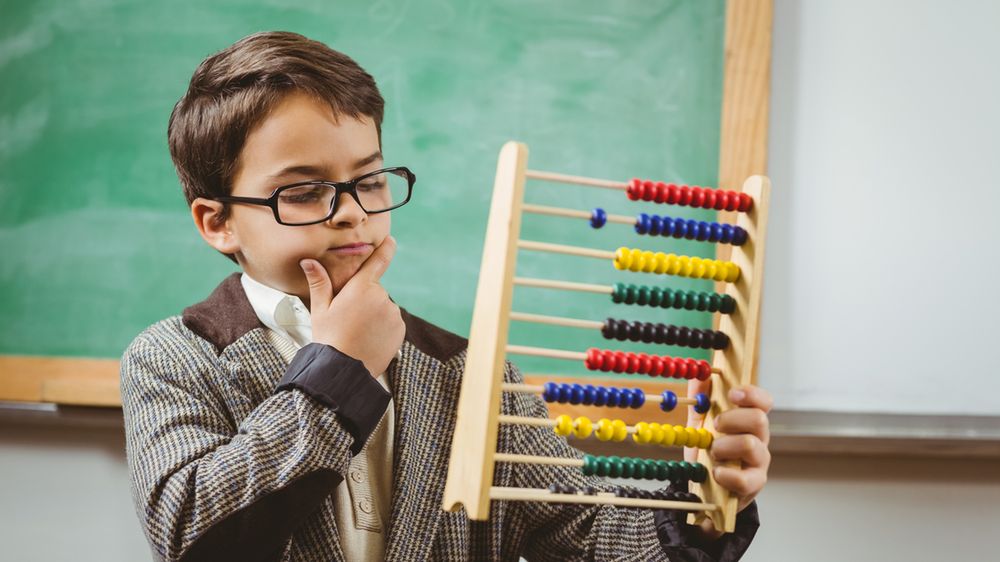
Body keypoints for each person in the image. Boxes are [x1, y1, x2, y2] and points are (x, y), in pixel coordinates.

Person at [121, 30, 772, 562]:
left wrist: (703, 505)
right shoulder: (175, 359)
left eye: (370, 181)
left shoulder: (468, 374)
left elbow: (590, 537)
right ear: (218, 221)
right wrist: (339, 372)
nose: (352, 213)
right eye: (303, 190)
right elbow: (192, 534)